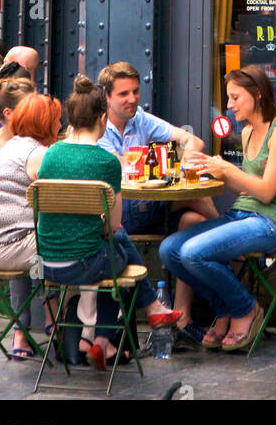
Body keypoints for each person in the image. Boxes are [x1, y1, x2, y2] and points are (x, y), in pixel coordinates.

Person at [36, 76, 182, 369]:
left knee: (112, 254)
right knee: (118, 256)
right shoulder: (107, 162)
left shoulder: (51, 153)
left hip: (45, 263)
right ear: (102, 118)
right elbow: (113, 227)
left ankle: (102, 341)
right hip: (84, 263)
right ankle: (136, 318)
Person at [159, 65, 276, 351]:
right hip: (242, 214)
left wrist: (227, 170)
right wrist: (215, 172)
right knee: (170, 251)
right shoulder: (247, 132)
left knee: (193, 253)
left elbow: (267, 191)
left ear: (257, 95)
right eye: (229, 98)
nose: (228, 105)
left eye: (235, 97)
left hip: (270, 222)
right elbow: (245, 188)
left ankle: (245, 308)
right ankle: (222, 308)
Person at [96, 60, 219, 344]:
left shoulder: (139, 117)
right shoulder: (98, 125)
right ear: (106, 97)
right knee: (197, 194)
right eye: (124, 94)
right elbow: (117, 167)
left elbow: (193, 140)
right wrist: (165, 167)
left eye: (136, 92)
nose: (132, 99)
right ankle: (229, 251)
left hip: (148, 206)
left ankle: (182, 316)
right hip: (117, 217)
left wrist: (183, 160)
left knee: (193, 222)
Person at [0, 93, 62, 358]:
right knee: (65, 242)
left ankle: (25, 328)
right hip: (6, 250)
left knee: (34, 247)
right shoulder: (39, 153)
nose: (60, 126)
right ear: (45, 122)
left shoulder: (8, 146)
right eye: (56, 120)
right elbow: (58, 203)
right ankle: (57, 317)